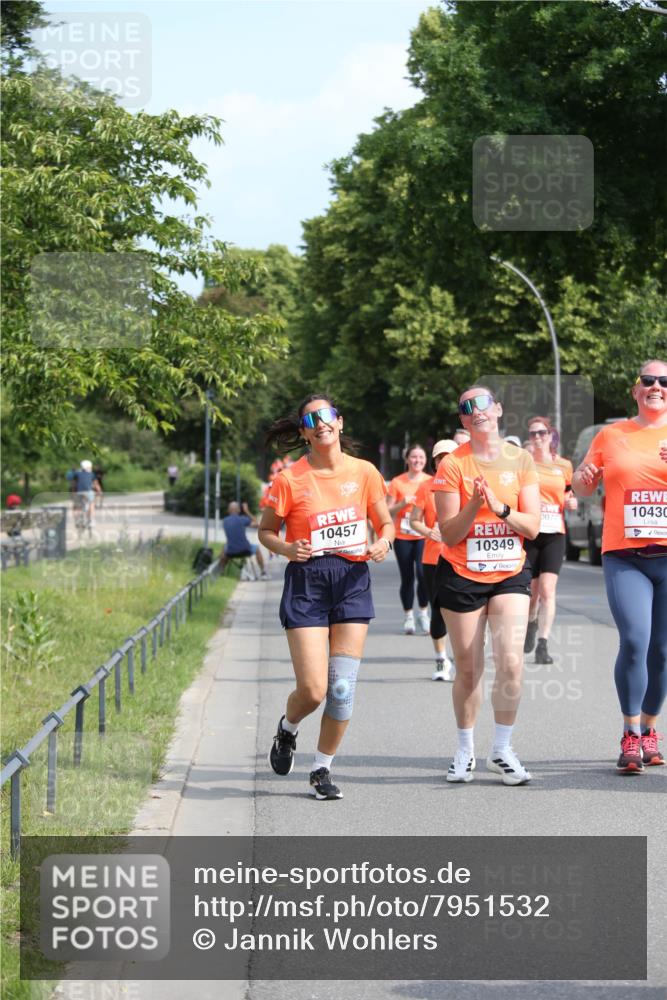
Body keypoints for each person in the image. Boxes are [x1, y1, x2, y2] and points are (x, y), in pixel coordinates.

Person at [258, 393, 394, 800]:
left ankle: (321, 769)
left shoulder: (365, 471)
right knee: (315, 689)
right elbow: (266, 531)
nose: (321, 423)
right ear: (304, 432)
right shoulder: (289, 479)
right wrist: (285, 549)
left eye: (326, 415)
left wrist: (384, 542)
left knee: (341, 690)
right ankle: (288, 729)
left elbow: (384, 522)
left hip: (352, 578)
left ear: (340, 421)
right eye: (311, 419)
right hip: (307, 582)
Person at [433, 385, 540, 785]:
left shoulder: (521, 460)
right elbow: (448, 534)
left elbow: (531, 525)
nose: (476, 410)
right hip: (462, 574)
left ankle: (503, 748)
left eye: (482, 403)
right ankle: (465, 749)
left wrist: (500, 507)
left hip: (509, 571)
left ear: (497, 409)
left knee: (511, 662)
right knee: (469, 669)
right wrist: (475, 505)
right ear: (463, 420)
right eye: (466, 407)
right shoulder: (452, 467)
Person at [572, 359, 667, 774]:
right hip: (625, 555)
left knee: (662, 652)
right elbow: (581, 484)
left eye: (664, 381)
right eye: (648, 380)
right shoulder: (612, 435)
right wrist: (584, 476)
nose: (656, 386)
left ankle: (650, 728)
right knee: (635, 639)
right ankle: (629, 732)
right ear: (635, 390)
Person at [523, 416, 577, 664]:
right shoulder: (523, 464)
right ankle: (531, 623)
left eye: (542, 433)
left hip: (555, 532)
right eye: (533, 433)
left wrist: (572, 502)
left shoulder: (564, 465)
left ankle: (543, 644)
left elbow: (569, 493)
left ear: (550, 435)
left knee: (547, 590)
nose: (537, 437)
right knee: (532, 594)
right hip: (531, 534)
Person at [410, 440, 458, 681]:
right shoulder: (426, 487)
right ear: (435, 461)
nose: (444, 461)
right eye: (440, 458)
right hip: (432, 557)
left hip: (461, 557)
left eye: (449, 456)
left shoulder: (465, 483)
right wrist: (428, 532)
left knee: (461, 610)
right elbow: (413, 520)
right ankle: (441, 659)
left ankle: (462, 657)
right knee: (438, 610)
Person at [386, 444, 431, 634]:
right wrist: (402, 503)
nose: (417, 460)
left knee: (423, 575)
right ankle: (408, 617)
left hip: (423, 534)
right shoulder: (397, 482)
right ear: (407, 459)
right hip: (403, 535)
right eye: (414, 457)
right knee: (407, 577)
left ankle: (423, 612)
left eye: (421, 457)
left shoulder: (431, 481)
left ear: (425, 460)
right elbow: (387, 511)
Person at [219, 500, 268, 578]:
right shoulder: (242, 519)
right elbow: (258, 524)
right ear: (238, 510)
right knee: (257, 549)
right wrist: (246, 511)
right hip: (245, 550)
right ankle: (263, 573)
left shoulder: (225, 521)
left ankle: (220, 571)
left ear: (229, 510)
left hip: (230, 552)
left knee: (224, 548)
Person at [72, 460, 100, 525]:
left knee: (76, 506)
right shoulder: (91, 474)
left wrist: (73, 492)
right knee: (91, 504)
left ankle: (77, 520)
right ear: (89, 467)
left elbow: (73, 484)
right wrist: (99, 491)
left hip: (79, 492)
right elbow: (96, 484)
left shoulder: (77, 474)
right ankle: (91, 520)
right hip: (88, 492)